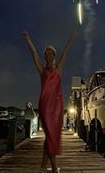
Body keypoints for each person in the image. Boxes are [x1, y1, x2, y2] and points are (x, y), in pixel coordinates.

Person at [22, 30, 76, 173]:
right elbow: (33, 54)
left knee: (51, 137)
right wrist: (28, 40)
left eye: (50, 53)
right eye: (46, 53)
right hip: (45, 107)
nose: (48, 55)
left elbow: (66, 51)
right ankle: (53, 168)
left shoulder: (58, 69)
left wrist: (71, 37)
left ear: (54, 55)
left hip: (57, 108)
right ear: (45, 56)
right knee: (50, 136)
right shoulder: (42, 70)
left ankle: (43, 166)